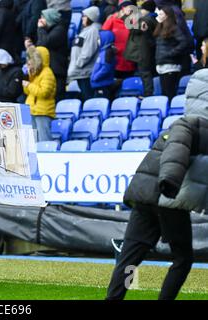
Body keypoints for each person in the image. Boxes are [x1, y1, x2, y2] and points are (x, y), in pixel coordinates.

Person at [106, 69, 208, 300]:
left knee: (131, 257)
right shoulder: (193, 124)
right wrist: (170, 180)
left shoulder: (182, 122)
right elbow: (176, 150)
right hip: (166, 195)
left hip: (144, 193)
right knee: (183, 259)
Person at [124, 0, 157, 97]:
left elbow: (131, 27)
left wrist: (127, 15)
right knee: (147, 74)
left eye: (142, 9)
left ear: (146, 10)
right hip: (147, 51)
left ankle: (148, 95)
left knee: (145, 74)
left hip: (143, 52)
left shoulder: (146, 20)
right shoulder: (153, 19)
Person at [23, 46, 56, 142]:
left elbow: (44, 92)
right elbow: (27, 92)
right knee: (34, 142)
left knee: (44, 140)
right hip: (32, 110)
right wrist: (28, 78)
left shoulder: (47, 73)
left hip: (43, 112)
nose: (30, 61)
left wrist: (29, 85)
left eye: (32, 58)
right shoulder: (35, 73)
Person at [67, 6, 101, 102]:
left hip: (85, 73)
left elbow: (88, 52)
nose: (82, 18)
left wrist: (78, 64)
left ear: (91, 17)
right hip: (80, 72)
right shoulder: (86, 30)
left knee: (89, 100)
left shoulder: (93, 30)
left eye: (85, 16)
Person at [154, 6, 187, 101]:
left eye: (161, 14)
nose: (159, 15)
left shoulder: (174, 28)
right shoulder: (160, 27)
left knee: (169, 92)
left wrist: (170, 53)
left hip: (170, 65)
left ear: (167, 15)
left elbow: (183, 42)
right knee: (164, 92)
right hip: (161, 64)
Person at [36, 8, 69, 101]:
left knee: (57, 97)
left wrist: (40, 29)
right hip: (50, 69)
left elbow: (45, 43)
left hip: (57, 70)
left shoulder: (60, 30)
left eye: (43, 17)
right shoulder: (49, 30)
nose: (40, 20)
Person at [102, 1, 137, 81]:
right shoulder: (112, 20)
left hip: (130, 60)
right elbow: (103, 37)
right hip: (115, 60)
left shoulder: (134, 23)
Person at [90, 30, 116, 98]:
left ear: (105, 38)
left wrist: (95, 77)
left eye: (99, 38)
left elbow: (106, 68)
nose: (98, 40)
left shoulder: (108, 52)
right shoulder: (103, 51)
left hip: (103, 85)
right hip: (98, 84)